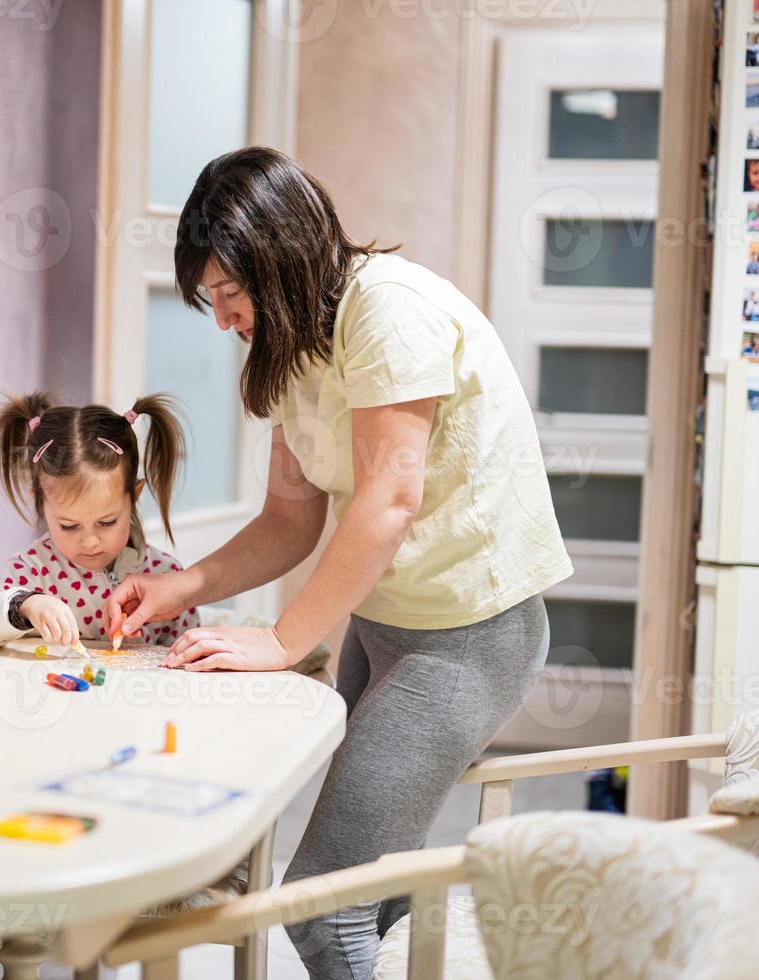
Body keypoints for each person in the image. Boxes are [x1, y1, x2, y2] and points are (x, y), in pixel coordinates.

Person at [104, 147, 571, 978]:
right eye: (208, 300)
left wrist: (284, 641)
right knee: (377, 896)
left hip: (468, 637)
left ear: (277, 260)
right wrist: (174, 587)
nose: (221, 321)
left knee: (320, 909)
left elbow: (389, 501)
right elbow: (289, 518)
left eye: (229, 294)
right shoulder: (291, 349)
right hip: (387, 625)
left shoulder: (386, 310)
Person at [0, 392, 198, 649]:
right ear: (41, 505)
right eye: (69, 526)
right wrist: (24, 605)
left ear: (134, 496)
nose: (90, 542)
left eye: (107, 522)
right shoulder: (34, 570)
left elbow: (189, 653)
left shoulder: (164, 574)